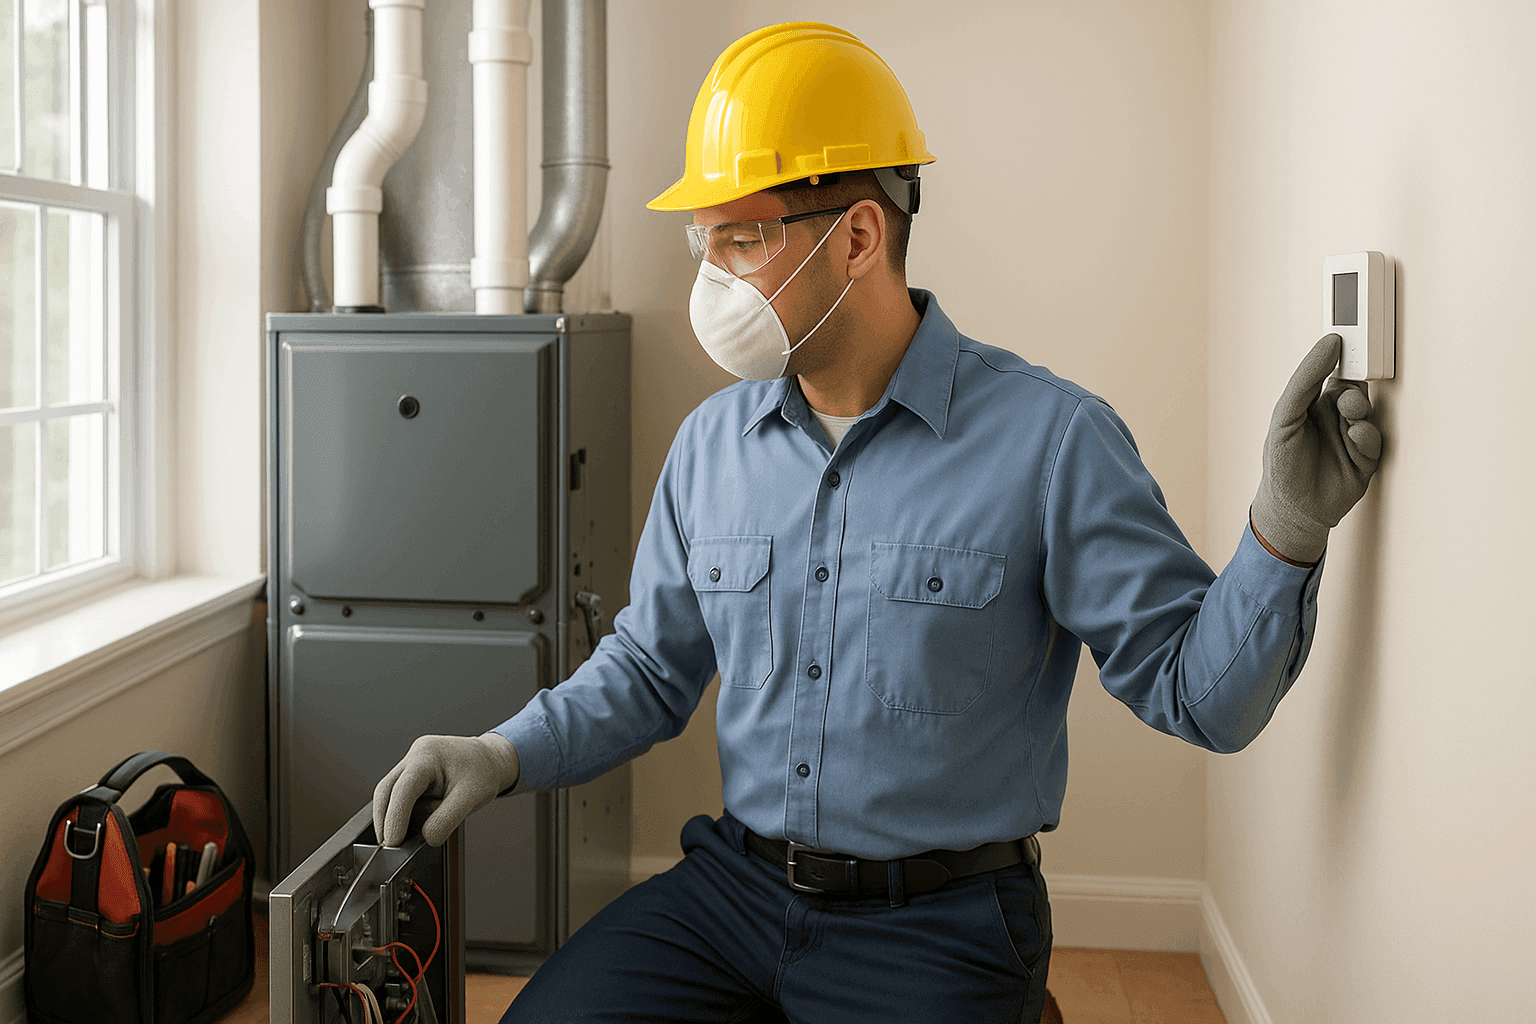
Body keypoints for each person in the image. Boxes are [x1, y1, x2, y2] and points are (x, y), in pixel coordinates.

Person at [371, 21, 1381, 1024]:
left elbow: (1199, 696)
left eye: (743, 236)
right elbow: (645, 672)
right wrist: (497, 753)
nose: (711, 278)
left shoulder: (1052, 441)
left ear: (857, 235)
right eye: (703, 242)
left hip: (940, 924)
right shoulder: (711, 447)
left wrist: (1284, 526)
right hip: (734, 895)